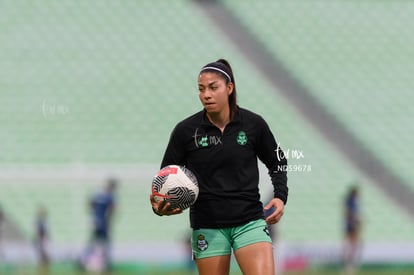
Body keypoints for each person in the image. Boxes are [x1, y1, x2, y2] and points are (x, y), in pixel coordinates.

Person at [150, 59, 288, 275]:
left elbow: (278, 161)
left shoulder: (253, 124)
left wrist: (280, 196)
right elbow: (165, 178)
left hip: (249, 221)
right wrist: (159, 206)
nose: (206, 94)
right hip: (207, 225)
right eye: (201, 89)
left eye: (213, 87)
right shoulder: (185, 131)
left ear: (229, 88)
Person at [81, 178, 117, 272]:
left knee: (93, 242)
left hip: (96, 222)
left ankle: (85, 261)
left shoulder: (98, 194)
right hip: (103, 223)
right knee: (104, 243)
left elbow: (90, 203)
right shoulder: (109, 196)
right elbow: (112, 209)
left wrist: (94, 215)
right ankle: (104, 264)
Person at [343, 185, 362, 274]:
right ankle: (349, 265)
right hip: (351, 225)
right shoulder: (351, 202)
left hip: (350, 225)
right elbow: (350, 213)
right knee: (353, 245)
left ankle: (349, 264)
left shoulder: (350, 201)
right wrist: (356, 220)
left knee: (352, 245)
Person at [34, 206, 50, 272]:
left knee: (43, 252)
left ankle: (44, 264)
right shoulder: (39, 221)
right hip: (41, 238)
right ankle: (43, 264)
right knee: (41, 252)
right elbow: (38, 230)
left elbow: (43, 230)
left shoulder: (43, 221)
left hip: (42, 237)